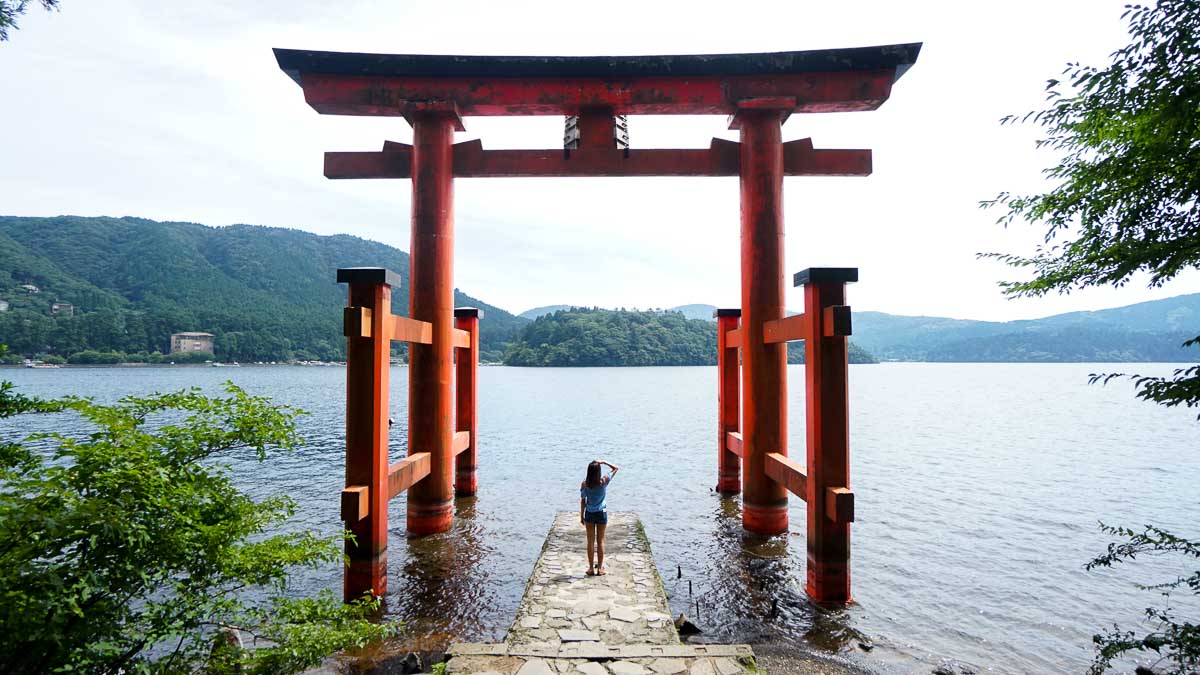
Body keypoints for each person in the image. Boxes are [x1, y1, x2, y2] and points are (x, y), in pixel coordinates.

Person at [580, 459, 619, 576]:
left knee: (590, 541)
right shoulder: (604, 481)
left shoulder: (585, 484)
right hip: (602, 512)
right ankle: (600, 569)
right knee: (601, 541)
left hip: (590, 514)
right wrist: (604, 462)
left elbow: (583, 501)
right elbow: (616, 468)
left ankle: (591, 568)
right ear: (599, 471)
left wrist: (581, 515)